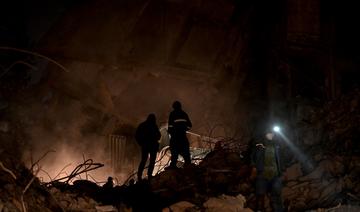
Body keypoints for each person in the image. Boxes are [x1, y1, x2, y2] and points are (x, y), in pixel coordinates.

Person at [251, 130, 284, 212]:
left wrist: (282, 169)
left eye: (272, 133)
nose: (270, 135)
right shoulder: (259, 144)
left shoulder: (277, 145)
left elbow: (282, 157)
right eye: (268, 133)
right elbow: (252, 156)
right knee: (260, 196)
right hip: (262, 173)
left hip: (275, 174)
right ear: (265, 134)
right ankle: (259, 210)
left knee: (276, 196)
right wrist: (254, 166)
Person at [135, 113, 161, 181]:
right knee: (152, 161)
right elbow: (159, 136)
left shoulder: (142, 125)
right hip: (152, 146)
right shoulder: (154, 126)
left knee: (143, 161)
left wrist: (141, 143)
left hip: (145, 146)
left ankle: (139, 176)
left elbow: (137, 135)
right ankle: (149, 175)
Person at [167, 101, 192, 169]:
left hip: (175, 137)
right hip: (183, 136)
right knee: (185, 152)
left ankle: (173, 167)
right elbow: (190, 125)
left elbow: (170, 126)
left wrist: (171, 132)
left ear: (174, 107)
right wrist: (184, 129)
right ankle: (188, 165)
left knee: (174, 152)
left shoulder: (172, 114)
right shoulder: (184, 114)